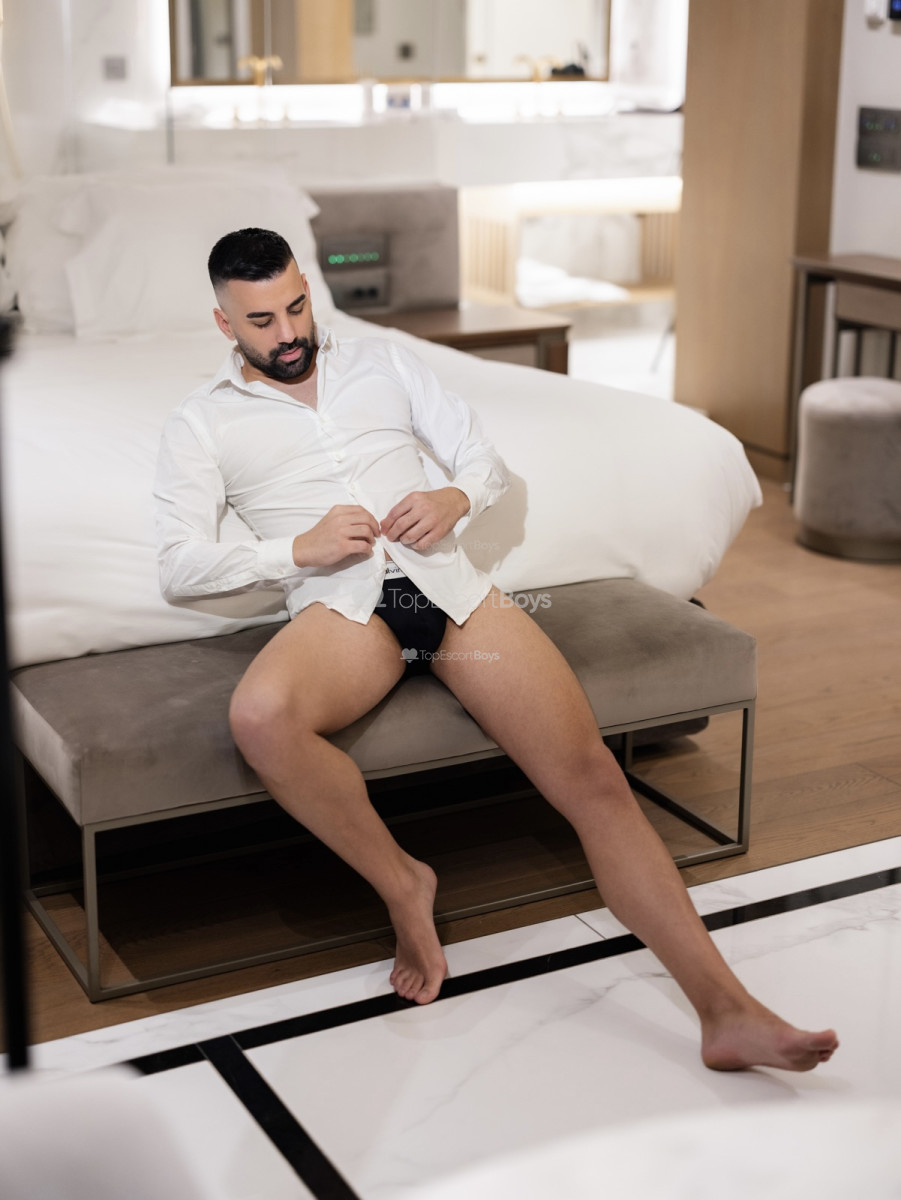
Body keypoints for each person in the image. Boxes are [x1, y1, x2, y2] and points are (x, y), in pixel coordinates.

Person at [153, 227, 838, 1072]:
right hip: (346, 612)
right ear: (225, 324)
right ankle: (404, 882)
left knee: (593, 779)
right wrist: (297, 549)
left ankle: (724, 1011)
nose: (289, 333)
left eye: (297, 307)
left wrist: (453, 496)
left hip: (449, 591)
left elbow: (479, 458)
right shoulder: (202, 422)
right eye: (263, 321)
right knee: (261, 717)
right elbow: (179, 568)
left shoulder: (382, 363)